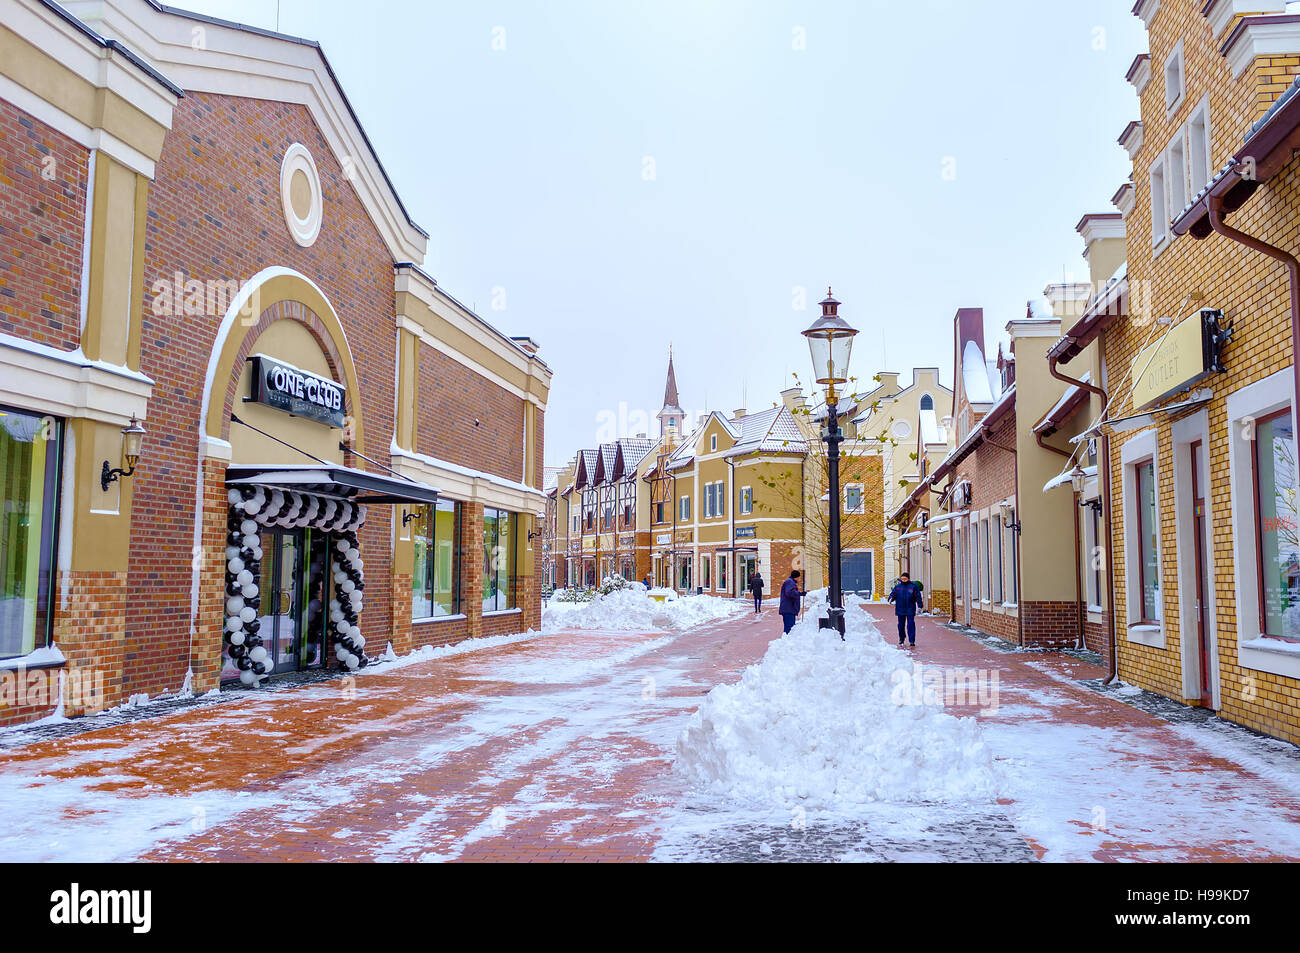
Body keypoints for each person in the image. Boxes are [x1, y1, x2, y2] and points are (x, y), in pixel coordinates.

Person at [887, 572, 922, 647]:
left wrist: (920, 606)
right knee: (900, 625)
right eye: (902, 579)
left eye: (905, 579)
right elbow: (893, 594)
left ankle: (912, 640)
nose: (904, 580)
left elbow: (918, 597)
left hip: (910, 609)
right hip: (900, 609)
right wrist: (890, 599)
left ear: (908, 579)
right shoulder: (898, 587)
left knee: (910, 625)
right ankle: (901, 638)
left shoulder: (913, 586)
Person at [778, 570, 806, 634]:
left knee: (789, 628)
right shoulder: (790, 582)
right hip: (788, 609)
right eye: (798, 577)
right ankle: (786, 642)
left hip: (789, 608)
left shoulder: (790, 582)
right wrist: (800, 593)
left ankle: (786, 641)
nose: (799, 579)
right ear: (796, 577)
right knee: (789, 629)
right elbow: (789, 592)